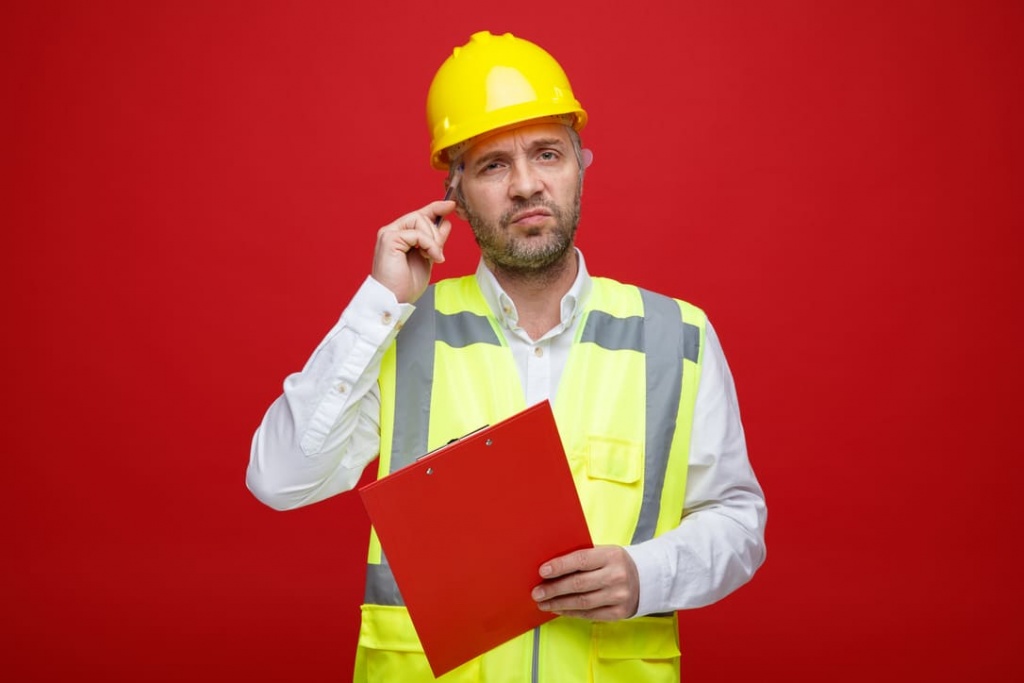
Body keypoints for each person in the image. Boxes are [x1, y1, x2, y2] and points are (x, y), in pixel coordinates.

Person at [247, 30, 766, 682]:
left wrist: (646, 575)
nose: (525, 184)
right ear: (455, 195)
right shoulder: (399, 332)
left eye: (547, 154)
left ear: (580, 165)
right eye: (493, 164)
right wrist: (378, 303)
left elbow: (739, 522)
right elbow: (279, 479)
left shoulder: (678, 337)